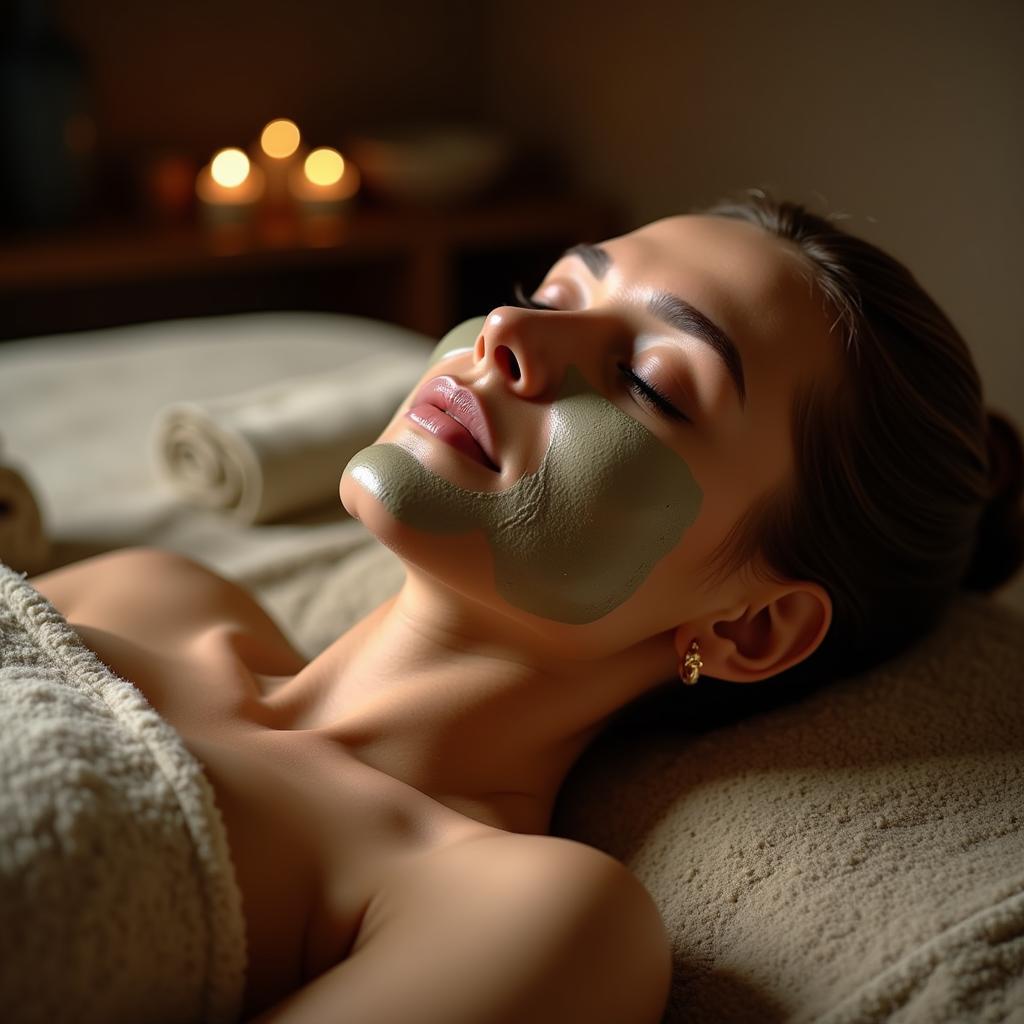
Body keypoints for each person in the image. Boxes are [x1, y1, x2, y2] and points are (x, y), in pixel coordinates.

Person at [23, 192, 1024, 1023]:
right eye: (546, 293)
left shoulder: (529, 916)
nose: (508, 333)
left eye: (648, 382)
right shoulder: (148, 589)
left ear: (746, 628)